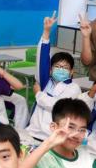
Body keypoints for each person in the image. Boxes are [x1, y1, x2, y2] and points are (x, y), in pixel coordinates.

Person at [26, 12, 82, 141]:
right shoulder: (45, 82)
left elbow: (57, 106)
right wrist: (46, 32)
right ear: (50, 70)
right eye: (57, 66)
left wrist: (38, 94)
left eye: (65, 67)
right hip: (33, 133)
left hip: (54, 137)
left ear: (72, 72)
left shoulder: (74, 88)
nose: (61, 69)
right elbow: (42, 58)